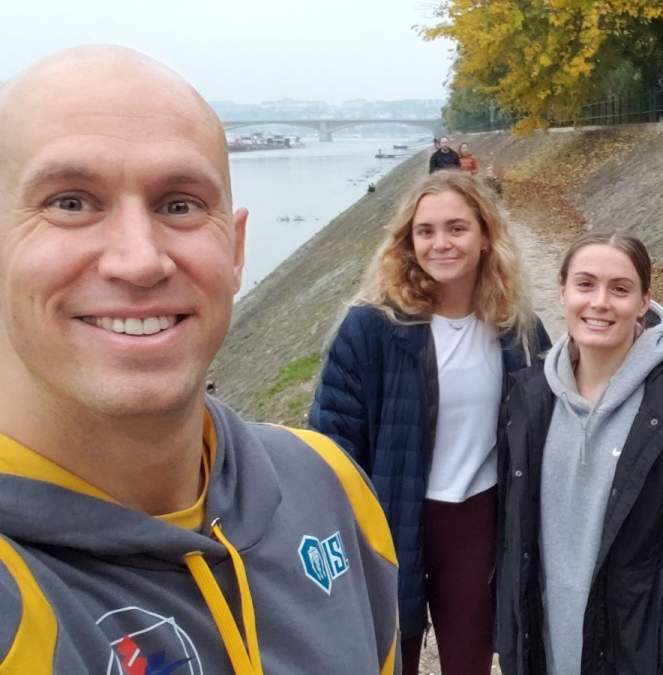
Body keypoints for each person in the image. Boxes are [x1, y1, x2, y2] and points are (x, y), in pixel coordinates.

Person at [0, 46, 399, 673]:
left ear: (236, 251)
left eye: (179, 204)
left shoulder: (332, 488)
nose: (140, 261)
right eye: (70, 203)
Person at [310, 170, 549, 675]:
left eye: (456, 228)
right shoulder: (371, 328)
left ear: (485, 237)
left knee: (469, 664)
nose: (441, 243)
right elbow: (332, 444)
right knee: (390, 661)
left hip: (478, 525)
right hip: (389, 520)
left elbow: (551, 427)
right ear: (409, 241)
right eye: (426, 231)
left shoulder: (516, 329)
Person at [496, 231, 663, 675]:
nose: (600, 302)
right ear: (563, 291)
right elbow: (513, 535)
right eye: (585, 284)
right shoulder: (529, 397)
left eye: (620, 289)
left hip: (645, 659)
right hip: (545, 654)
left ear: (643, 303)